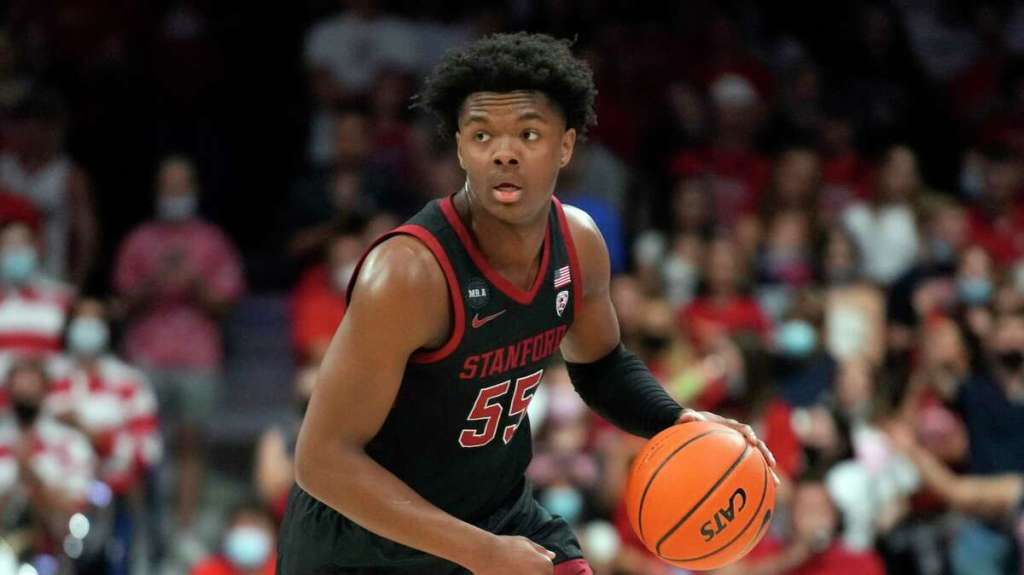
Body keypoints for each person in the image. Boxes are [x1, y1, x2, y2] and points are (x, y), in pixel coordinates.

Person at [278, 32, 776, 575]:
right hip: (367, 542)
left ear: (566, 145)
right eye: (482, 135)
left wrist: (676, 420)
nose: (504, 152)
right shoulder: (409, 274)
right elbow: (321, 461)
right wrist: (481, 553)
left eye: (528, 133)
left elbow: (601, 366)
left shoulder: (579, 243)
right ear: (461, 148)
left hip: (493, 514)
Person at [113, 155, 245, 537]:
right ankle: (145, 529)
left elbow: (227, 302)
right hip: (146, 355)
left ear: (194, 189)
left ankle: (184, 528)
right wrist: (153, 283)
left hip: (198, 357)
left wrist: (195, 284)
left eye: (181, 185)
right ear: (157, 190)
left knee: (191, 444)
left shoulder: (211, 240)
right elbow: (122, 301)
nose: (174, 193)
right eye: (167, 186)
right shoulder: (139, 240)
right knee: (139, 448)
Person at [0, 219, 74, 355]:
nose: (16, 250)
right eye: (8, 244)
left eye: (22, 243)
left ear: (37, 247)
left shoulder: (63, 296)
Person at [190, 499, 277, 575]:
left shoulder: (283, 568)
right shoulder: (207, 571)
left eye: (255, 525)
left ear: (273, 533)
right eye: (241, 526)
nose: (247, 534)